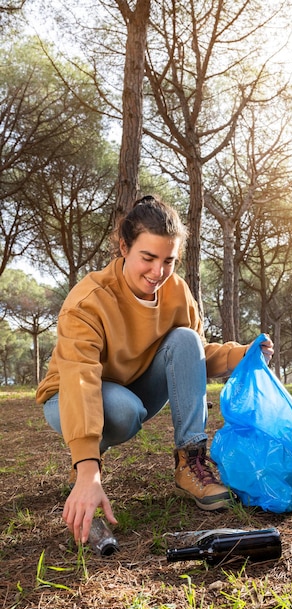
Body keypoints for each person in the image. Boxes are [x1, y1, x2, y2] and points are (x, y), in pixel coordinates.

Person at [36, 195, 274, 545]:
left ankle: (190, 462)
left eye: (169, 261)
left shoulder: (176, 290)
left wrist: (243, 355)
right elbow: (80, 378)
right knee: (122, 409)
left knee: (183, 339)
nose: (158, 272)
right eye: (147, 258)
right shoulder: (88, 300)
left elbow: (193, 355)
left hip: (134, 385)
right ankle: (87, 468)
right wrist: (88, 470)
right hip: (70, 394)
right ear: (123, 247)